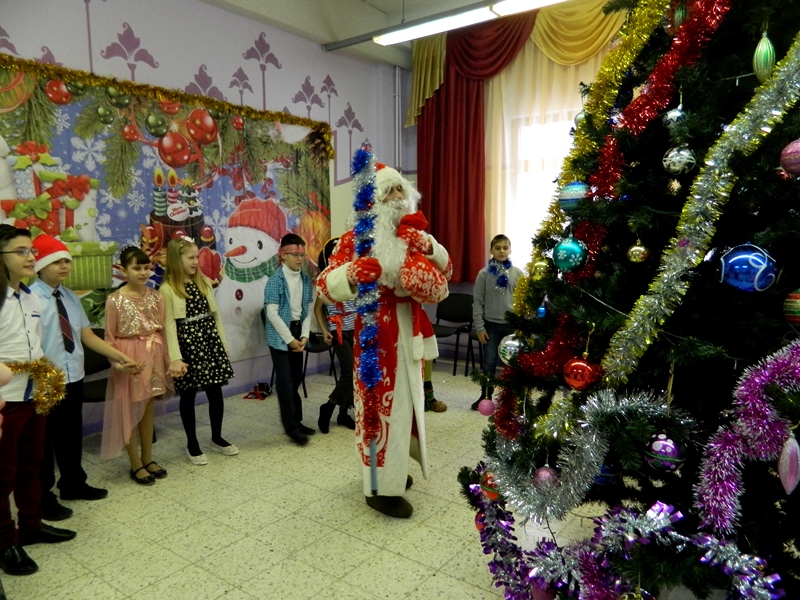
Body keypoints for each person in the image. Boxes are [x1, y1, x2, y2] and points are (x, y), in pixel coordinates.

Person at [317, 163, 452, 518]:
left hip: (410, 332)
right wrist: (350, 274)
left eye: (399, 189)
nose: (396, 197)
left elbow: (447, 271)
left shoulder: (413, 235)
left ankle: (392, 473)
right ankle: (378, 488)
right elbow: (324, 285)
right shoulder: (354, 240)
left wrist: (429, 246)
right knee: (379, 411)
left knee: (406, 408)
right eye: (387, 192)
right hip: (375, 335)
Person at [31, 235, 140, 518]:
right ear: (40, 265)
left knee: (70, 434)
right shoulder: (30, 299)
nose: (64, 266)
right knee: (43, 442)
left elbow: (87, 336)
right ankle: (42, 497)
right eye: (56, 261)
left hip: (74, 375)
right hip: (46, 381)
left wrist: (118, 356)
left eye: (66, 261)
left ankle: (73, 484)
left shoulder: (69, 296)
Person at [0, 225, 76, 577]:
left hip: (34, 395)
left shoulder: (31, 298)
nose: (31, 257)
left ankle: (31, 525)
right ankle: (6, 542)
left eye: (31, 250)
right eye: (21, 252)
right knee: (3, 476)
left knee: (32, 464)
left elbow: (36, 346)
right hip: (5, 400)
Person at [162, 237, 237, 465]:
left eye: (197, 257)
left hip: (209, 341)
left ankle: (217, 437)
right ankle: (192, 443)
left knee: (215, 391)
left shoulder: (203, 282)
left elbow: (215, 316)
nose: (196, 261)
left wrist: (223, 345)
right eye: (190, 258)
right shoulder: (167, 289)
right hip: (187, 345)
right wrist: (175, 357)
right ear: (177, 259)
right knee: (188, 395)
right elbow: (169, 325)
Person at [100, 247, 170, 485]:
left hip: (153, 355)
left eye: (146, 267)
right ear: (123, 270)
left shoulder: (157, 297)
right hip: (129, 358)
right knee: (128, 410)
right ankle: (135, 462)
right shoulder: (115, 300)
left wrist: (168, 359)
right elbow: (109, 338)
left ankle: (147, 457)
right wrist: (119, 362)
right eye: (136, 268)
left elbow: (163, 330)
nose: (143, 273)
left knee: (148, 408)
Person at [265, 233, 316, 446]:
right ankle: (291, 428)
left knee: (296, 377)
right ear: (283, 255)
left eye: (302, 255)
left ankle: (297, 420)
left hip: (296, 331)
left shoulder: (304, 279)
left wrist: (304, 335)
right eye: (295, 255)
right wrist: (289, 340)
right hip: (280, 335)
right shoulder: (275, 280)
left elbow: (307, 309)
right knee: (285, 381)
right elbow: (272, 314)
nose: (300, 258)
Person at [471, 234, 523, 410]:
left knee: (513, 364)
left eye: (505, 248)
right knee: (489, 363)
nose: (502, 251)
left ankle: (512, 399)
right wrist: (480, 327)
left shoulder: (517, 274)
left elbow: (522, 301)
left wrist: (521, 324)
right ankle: (485, 396)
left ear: (510, 250)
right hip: (490, 326)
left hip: (511, 325)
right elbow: (478, 302)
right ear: (491, 250)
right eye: (498, 248)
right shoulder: (483, 274)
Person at [314, 238, 356, 433]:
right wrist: (324, 330)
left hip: (355, 329)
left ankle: (343, 413)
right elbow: (317, 308)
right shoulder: (326, 281)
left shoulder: (351, 276)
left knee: (354, 373)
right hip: (338, 330)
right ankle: (329, 406)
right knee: (349, 372)